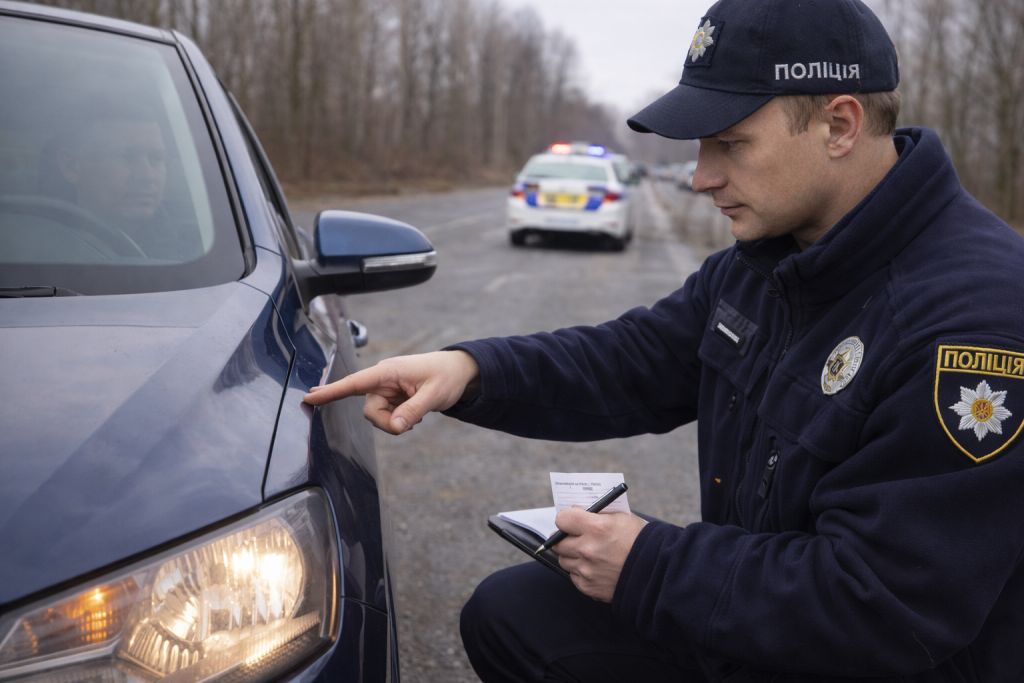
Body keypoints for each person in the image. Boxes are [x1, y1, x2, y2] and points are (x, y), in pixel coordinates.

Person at [305, 0, 1024, 680]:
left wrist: (649, 564)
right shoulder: (775, 260)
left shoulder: (972, 325)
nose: (703, 176)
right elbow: (633, 360)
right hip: (762, 628)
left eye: (732, 143)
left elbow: (886, 602)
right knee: (512, 614)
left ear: (838, 125)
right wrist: (471, 369)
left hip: (870, 656)